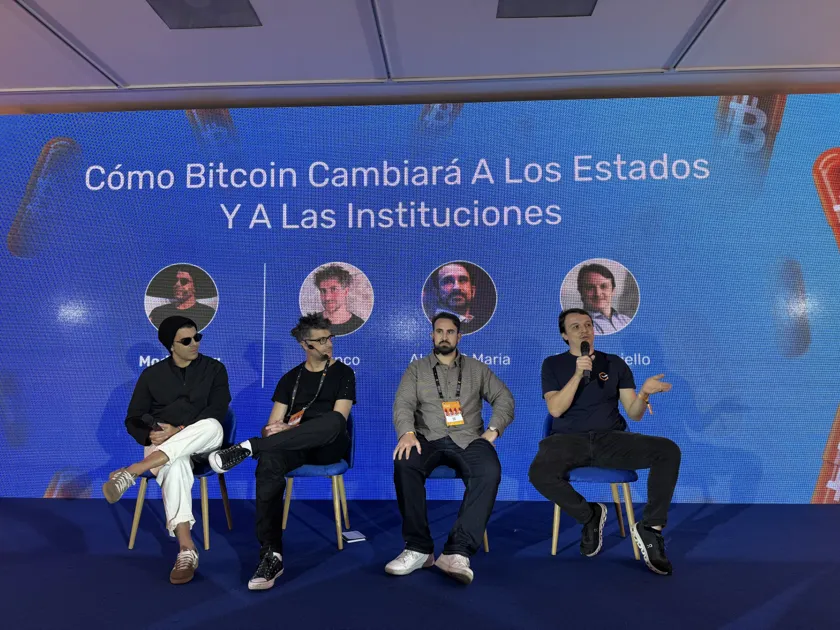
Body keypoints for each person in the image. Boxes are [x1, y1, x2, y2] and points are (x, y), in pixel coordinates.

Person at [207, 313, 355, 591]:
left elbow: (341, 418)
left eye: (329, 338)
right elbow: (270, 429)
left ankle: (249, 448)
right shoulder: (290, 379)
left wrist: (284, 430)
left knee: (333, 421)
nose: (329, 344)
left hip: (328, 447)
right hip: (294, 447)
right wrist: (275, 433)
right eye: (321, 340)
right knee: (269, 461)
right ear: (305, 345)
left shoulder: (343, 373)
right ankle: (271, 554)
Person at [528, 308, 681, 575]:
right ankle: (590, 515)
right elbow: (555, 409)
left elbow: (634, 413)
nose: (584, 330)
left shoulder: (614, 363)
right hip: (567, 440)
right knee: (539, 473)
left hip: (610, 439)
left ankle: (651, 528)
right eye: (575, 327)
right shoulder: (552, 365)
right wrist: (578, 374)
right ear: (564, 335)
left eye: (588, 325)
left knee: (667, 450)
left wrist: (643, 394)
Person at [386, 312, 514, 585]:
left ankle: (457, 551)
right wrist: (407, 433)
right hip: (427, 437)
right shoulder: (416, 369)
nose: (444, 336)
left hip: (468, 438)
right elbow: (403, 403)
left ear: (459, 336)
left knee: (489, 470)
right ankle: (418, 548)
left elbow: (504, 398)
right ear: (432, 335)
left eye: (450, 332)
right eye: (439, 331)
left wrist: (493, 431)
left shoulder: (477, 369)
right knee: (405, 462)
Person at [102, 316, 230, 584]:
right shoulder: (151, 376)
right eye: (186, 340)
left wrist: (179, 430)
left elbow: (218, 409)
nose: (194, 344)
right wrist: (150, 435)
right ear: (171, 346)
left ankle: (133, 471)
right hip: (162, 446)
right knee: (176, 464)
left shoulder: (215, 369)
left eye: (197, 337)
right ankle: (186, 549)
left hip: (204, 444)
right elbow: (133, 418)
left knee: (212, 425)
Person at [149, 269, 216, 331]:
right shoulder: (158, 313)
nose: (177, 284)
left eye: (184, 281)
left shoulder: (208, 314)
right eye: (175, 281)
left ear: (194, 287)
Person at [577, 263, 632, 335]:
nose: (598, 293)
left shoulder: (626, 320)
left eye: (604, 286)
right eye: (590, 288)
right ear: (581, 292)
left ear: (613, 291)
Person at [314, 265, 364, 336]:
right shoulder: (311, 322)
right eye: (323, 291)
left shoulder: (358, 324)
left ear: (345, 291)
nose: (327, 297)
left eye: (334, 289)